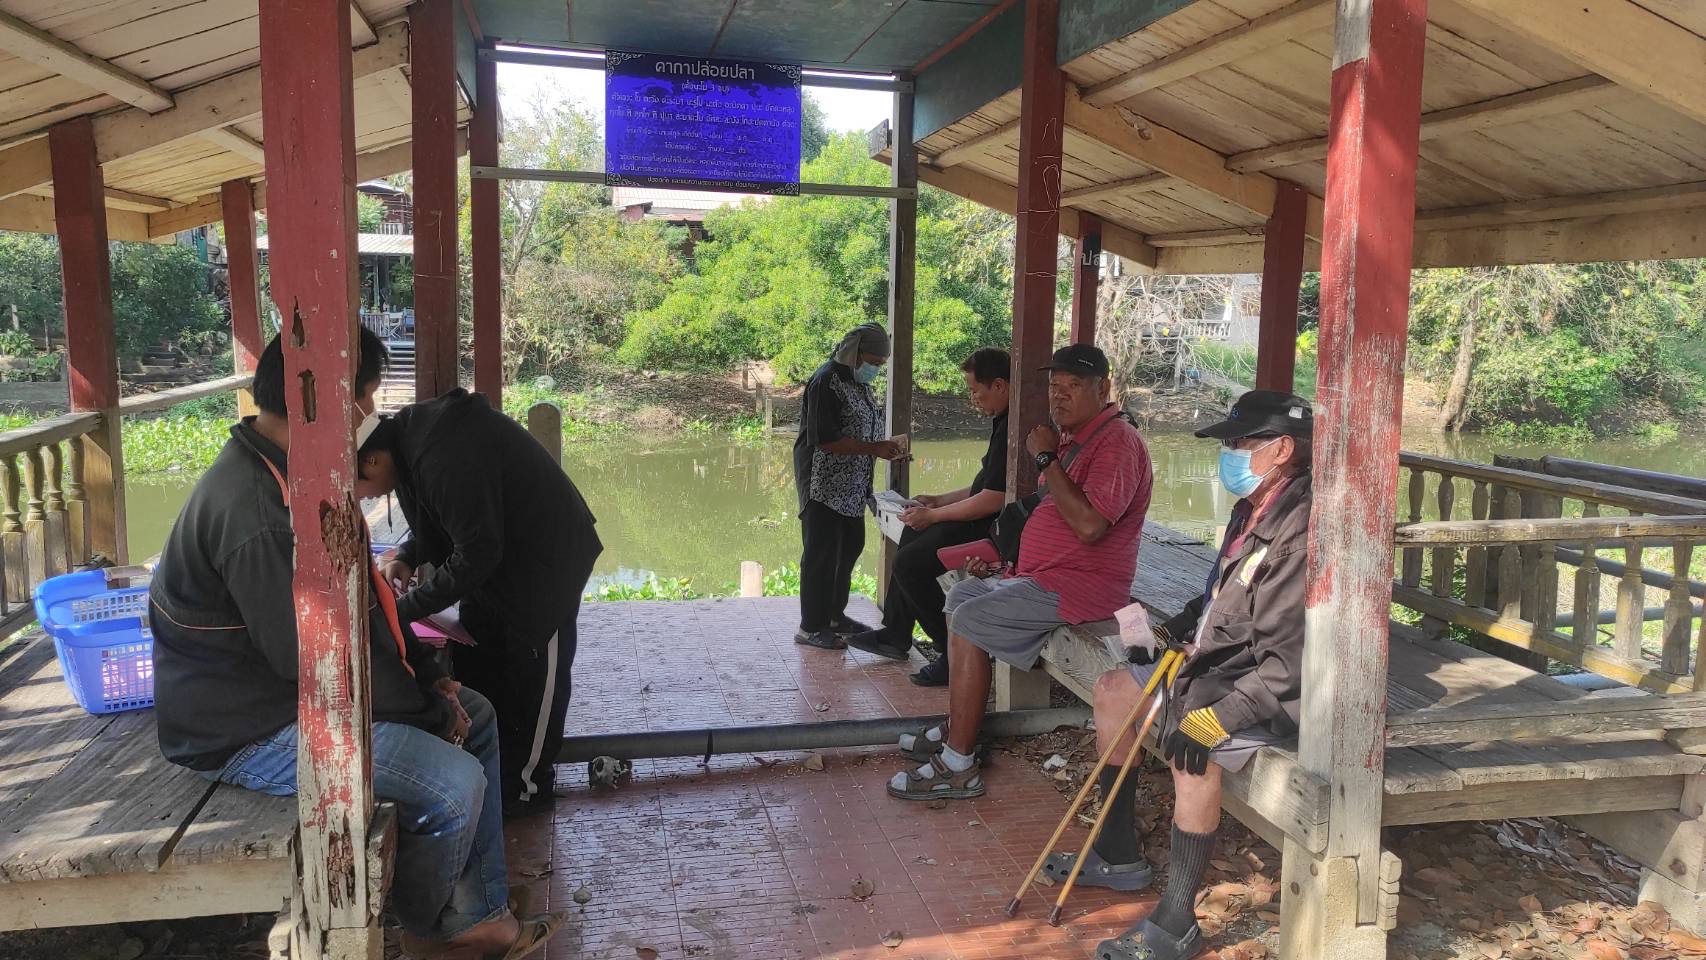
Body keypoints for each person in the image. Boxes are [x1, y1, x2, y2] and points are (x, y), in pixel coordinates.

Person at [149, 331, 563, 958]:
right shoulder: (259, 513)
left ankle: (476, 913)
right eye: (365, 393)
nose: (369, 411)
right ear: (325, 399)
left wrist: (430, 680)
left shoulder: (301, 478)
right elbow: (313, 664)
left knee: (474, 714)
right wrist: (425, 712)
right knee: (453, 782)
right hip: (246, 729)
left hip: (292, 698)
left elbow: (365, 605)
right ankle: (427, 926)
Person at [1071, 390, 1313, 960]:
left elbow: (1288, 666)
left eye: (1239, 442)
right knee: (1113, 690)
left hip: (1268, 689)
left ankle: (1178, 919)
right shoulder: (1254, 502)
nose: (1228, 452)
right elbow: (1218, 594)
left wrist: (1218, 719)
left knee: (1191, 746)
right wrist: (1175, 625)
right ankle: (1117, 851)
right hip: (1214, 661)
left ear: (1280, 448)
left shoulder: (1301, 529)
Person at [886, 344, 1152, 801]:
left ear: (1103, 389)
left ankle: (958, 765)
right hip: (1044, 575)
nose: (1059, 397)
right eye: (1054, 386)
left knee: (971, 620)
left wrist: (1047, 460)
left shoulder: (1117, 442)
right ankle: (961, 727)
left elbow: (1089, 526)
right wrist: (1009, 566)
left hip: (1084, 587)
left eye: (1073, 387)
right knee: (963, 596)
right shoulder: (1075, 438)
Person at [362, 388, 602, 819]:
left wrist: (402, 610)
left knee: (532, 679)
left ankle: (528, 788)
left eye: (359, 485)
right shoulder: (411, 445)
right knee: (485, 670)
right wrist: (406, 555)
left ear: (374, 460)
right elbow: (454, 519)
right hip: (498, 565)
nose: (362, 497)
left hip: (544, 565)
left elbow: (477, 551)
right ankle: (500, 781)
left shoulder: (440, 454)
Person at [844, 348, 1011, 686]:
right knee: (911, 530)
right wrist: (936, 502)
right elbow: (984, 486)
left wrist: (934, 517)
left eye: (975, 391)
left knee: (910, 564)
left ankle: (952, 653)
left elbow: (994, 500)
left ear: (999, 386)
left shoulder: (1014, 426)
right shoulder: (1002, 420)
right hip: (980, 517)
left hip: (995, 530)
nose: (972, 399)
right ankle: (895, 632)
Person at [793, 322, 906, 650]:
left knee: (850, 546)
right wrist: (874, 449)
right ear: (855, 352)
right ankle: (810, 626)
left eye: (880, 365)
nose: (875, 369)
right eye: (873, 361)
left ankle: (834, 617)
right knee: (821, 553)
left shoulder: (858, 383)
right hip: (822, 484)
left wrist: (886, 448)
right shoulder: (825, 381)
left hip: (853, 484)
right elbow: (824, 439)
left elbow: (861, 427)